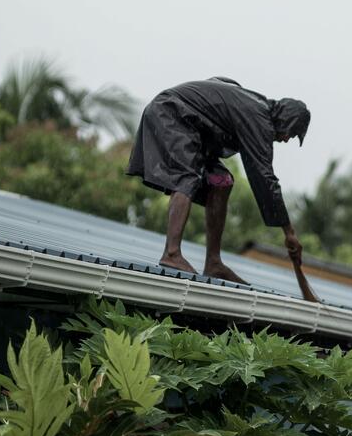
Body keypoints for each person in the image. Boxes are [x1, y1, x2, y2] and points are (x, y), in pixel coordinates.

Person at [127, 77, 310, 284]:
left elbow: (218, 86)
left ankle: (213, 263)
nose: (286, 139)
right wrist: (289, 232)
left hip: (193, 129)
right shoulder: (258, 117)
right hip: (172, 113)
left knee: (221, 181)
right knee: (188, 176)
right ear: (286, 119)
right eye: (291, 133)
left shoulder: (253, 107)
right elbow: (264, 176)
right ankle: (171, 253)